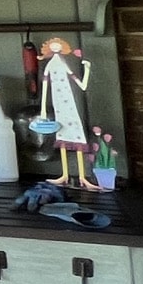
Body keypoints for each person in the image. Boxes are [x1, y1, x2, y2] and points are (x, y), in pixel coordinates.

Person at [35, 37, 95, 190]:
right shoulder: (51, 64)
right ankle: (65, 174)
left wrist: (87, 69)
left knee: (76, 132)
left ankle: (82, 176)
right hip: (58, 103)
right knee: (61, 133)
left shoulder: (63, 64)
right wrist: (43, 108)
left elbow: (82, 85)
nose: (56, 47)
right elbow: (45, 86)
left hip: (68, 101)